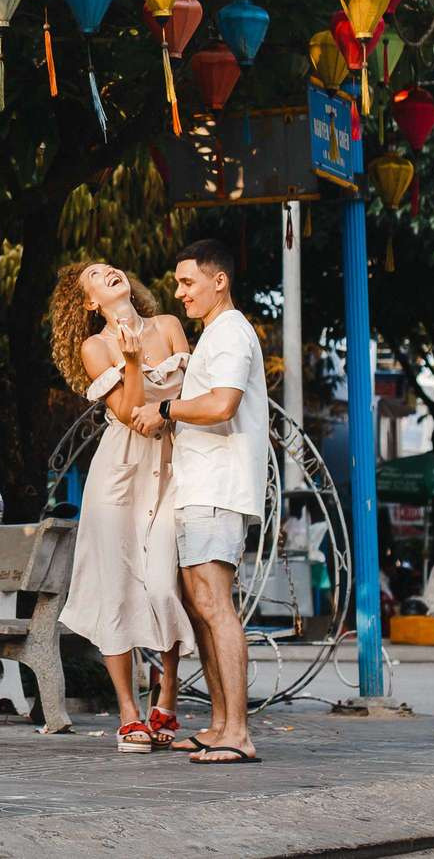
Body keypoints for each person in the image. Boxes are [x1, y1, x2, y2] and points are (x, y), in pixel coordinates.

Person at [49, 261, 196, 753]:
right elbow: (132, 416)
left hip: (172, 465)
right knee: (115, 585)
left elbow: (192, 395)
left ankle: (168, 694)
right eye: (96, 275)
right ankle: (130, 712)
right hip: (119, 476)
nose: (109, 272)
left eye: (111, 268)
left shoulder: (170, 327)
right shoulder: (97, 347)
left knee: (163, 583)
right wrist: (132, 362)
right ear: (90, 302)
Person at [153, 238, 269, 765]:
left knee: (216, 607)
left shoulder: (230, 332)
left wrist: (169, 409)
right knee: (202, 606)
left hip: (218, 488)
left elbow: (223, 405)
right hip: (200, 485)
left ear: (217, 280)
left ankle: (238, 733)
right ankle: (220, 724)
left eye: (187, 283)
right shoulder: (214, 335)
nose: (180, 294)